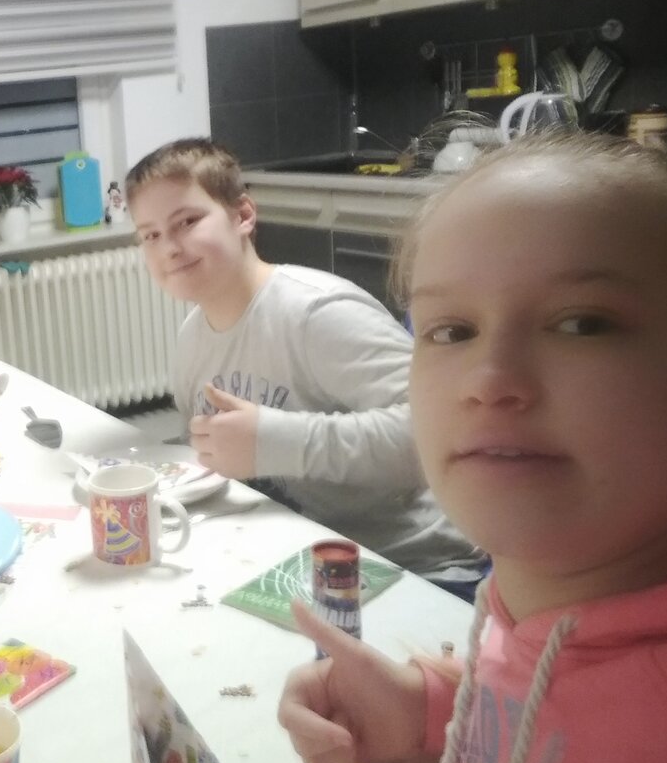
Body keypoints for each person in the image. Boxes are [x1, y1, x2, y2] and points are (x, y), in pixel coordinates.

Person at [278, 132, 667, 763]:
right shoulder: (550, 594)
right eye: (452, 330)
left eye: (582, 322)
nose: (489, 379)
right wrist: (427, 707)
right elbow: (573, 704)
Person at [124, 138, 483, 587]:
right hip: (295, 555)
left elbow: (442, 431)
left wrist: (275, 441)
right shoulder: (191, 337)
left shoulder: (317, 313)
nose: (170, 248)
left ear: (242, 215)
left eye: (187, 222)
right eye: (151, 235)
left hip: (413, 566)